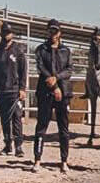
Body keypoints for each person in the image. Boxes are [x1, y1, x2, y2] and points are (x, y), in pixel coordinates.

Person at [32, 20, 75, 168]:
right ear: (47, 32)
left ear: (60, 33)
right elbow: (40, 67)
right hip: (45, 92)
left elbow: (69, 70)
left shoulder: (66, 51)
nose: (53, 34)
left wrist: (56, 79)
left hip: (63, 93)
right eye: (51, 31)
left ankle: (64, 161)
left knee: (63, 128)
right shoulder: (41, 49)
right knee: (41, 126)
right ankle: (37, 160)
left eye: (56, 31)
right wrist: (52, 83)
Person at [0, 22, 29, 156]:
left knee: (17, 118)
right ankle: (7, 145)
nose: (7, 35)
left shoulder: (18, 51)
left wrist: (22, 88)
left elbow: (23, 71)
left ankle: (19, 146)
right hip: (2, 90)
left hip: (15, 89)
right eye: (5, 32)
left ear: (12, 34)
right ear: (1, 34)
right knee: (4, 118)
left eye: (9, 32)